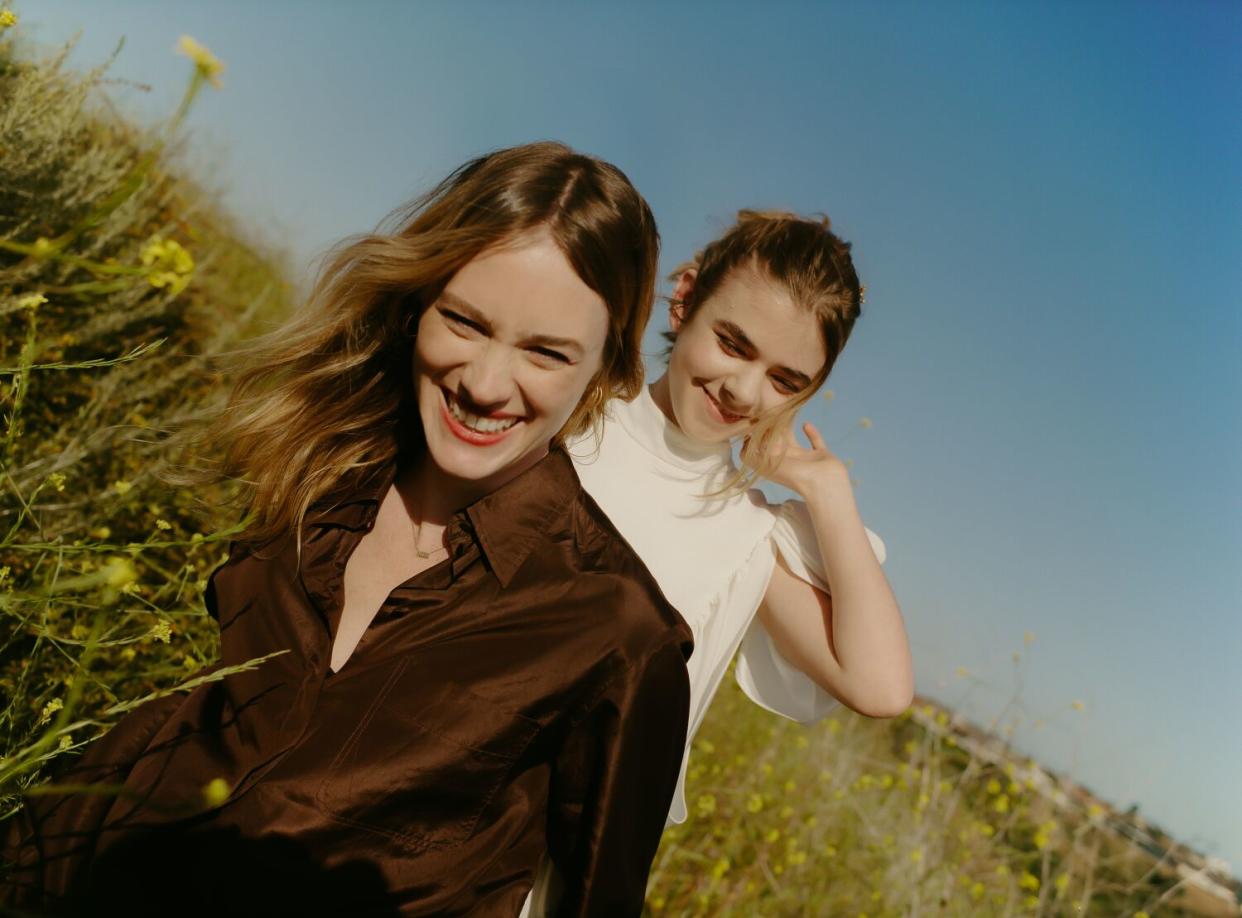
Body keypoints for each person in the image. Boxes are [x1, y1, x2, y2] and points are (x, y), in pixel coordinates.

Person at [1, 141, 694, 917]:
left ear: (604, 372)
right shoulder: (315, 468)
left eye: (546, 353)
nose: (486, 384)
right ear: (417, 304)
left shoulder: (617, 628)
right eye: (464, 322)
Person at [525, 209, 913, 913]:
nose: (743, 389)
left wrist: (829, 490)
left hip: (567, 878)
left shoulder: (746, 535)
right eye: (733, 344)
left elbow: (880, 687)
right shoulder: (568, 415)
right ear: (685, 296)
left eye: (785, 379)